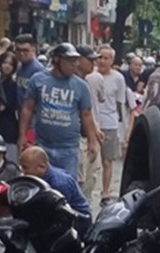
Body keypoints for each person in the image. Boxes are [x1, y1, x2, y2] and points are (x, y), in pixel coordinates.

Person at [18, 43, 99, 180]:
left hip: (69, 147)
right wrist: (22, 135)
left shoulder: (81, 86)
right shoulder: (38, 80)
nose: (75, 64)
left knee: (66, 184)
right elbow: (27, 109)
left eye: (76, 60)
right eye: (70, 61)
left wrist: (92, 141)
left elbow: (86, 115)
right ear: (57, 61)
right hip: (43, 144)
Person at [19, 146, 91, 235]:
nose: (22, 172)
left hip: (77, 220)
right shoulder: (39, 177)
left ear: (41, 167)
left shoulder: (59, 183)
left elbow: (61, 214)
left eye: (25, 168)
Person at [95, 45, 127, 205]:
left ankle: (105, 193)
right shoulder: (91, 76)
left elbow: (121, 104)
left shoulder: (118, 78)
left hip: (110, 123)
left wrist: (123, 131)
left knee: (107, 160)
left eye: (105, 58)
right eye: (99, 57)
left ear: (112, 60)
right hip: (92, 122)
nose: (101, 61)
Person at [75, 44, 104, 200]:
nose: (94, 63)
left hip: (88, 136)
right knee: (80, 180)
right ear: (78, 61)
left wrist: (94, 132)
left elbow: (88, 112)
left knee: (90, 178)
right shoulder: (74, 82)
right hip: (77, 139)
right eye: (90, 60)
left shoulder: (85, 82)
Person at [0, 51, 20, 163]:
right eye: (5, 62)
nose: (7, 66)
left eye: (10, 64)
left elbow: (4, 106)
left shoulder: (12, 85)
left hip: (8, 127)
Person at [14, 34, 45, 105]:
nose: (21, 53)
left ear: (33, 50)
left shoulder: (38, 69)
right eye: (18, 50)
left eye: (25, 50)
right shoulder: (19, 67)